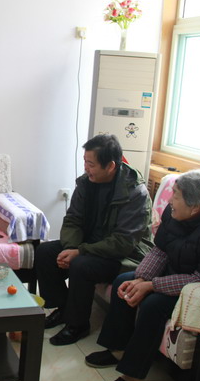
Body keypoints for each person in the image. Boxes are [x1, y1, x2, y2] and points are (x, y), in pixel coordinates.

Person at [85, 170, 200, 381]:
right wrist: (142, 278)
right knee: (124, 282)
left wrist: (152, 285)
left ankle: (132, 376)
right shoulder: (176, 213)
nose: (170, 200)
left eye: (176, 196)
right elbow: (160, 250)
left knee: (153, 304)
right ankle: (118, 350)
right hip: (178, 271)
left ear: (195, 207)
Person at [35, 134, 153, 346]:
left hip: (125, 255)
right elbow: (73, 219)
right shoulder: (86, 183)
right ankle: (63, 308)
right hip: (90, 244)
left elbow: (123, 242)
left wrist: (80, 251)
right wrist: (71, 247)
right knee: (45, 252)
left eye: (91, 164)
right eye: (85, 162)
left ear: (110, 166)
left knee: (81, 264)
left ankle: (77, 324)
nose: (86, 168)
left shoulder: (135, 193)